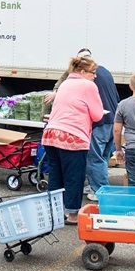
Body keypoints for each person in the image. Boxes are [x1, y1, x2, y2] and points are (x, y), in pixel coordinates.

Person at [43, 56, 104, 225]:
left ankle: (55, 212)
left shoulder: (65, 84)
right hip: (73, 136)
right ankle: (72, 214)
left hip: (51, 134)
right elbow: (98, 115)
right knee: (74, 176)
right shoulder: (88, 85)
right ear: (83, 72)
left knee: (56, 175)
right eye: (93, 73)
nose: (95, 76)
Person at [78, 49, 119, 202]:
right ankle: (95, 184)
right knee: (103, 157)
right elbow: (115, 95)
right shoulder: (105, 71)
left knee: (94, 158)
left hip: (99, 121)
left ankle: (100, 190)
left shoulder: (89, 77)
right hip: (112, 120)